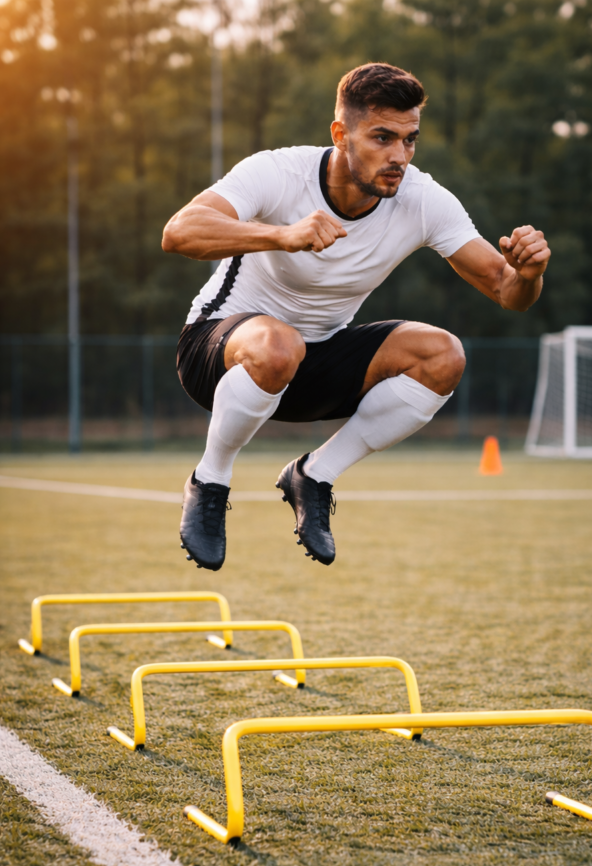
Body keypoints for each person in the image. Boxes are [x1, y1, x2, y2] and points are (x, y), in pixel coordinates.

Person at [162, 62, 550, 570]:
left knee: (443, 355)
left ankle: (314, 477)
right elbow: (179, 232)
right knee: (278, 345)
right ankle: (209, 482)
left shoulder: (422, 199)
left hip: (312, 365)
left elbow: (506, 290)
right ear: (340, 133)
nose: (399, 157)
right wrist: (281, 234)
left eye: (410, 140)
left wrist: (530, 272)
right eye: (383, 138)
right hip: (217, 354)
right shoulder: (278, 172)